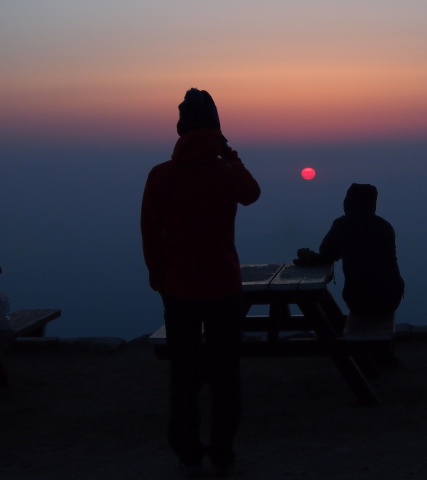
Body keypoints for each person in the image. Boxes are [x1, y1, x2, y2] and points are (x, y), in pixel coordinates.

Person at [141, 88, 260, 477]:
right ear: (216, 129)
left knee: (184, 374)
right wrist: (231, 155)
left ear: (180, 128)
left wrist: (158, 278)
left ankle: (189, 453)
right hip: (224, 287)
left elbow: (149, 232)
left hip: (178, 290)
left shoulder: (161, 175)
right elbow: (253, 195)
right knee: (227, 375)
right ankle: (222, 453)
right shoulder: (226, 173)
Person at [296, 183, 404, 319]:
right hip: (391, 298)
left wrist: (309, 257)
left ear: (349, 203)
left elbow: (326, 252)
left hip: (360, 300)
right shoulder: (384, 226)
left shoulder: (343, 225)